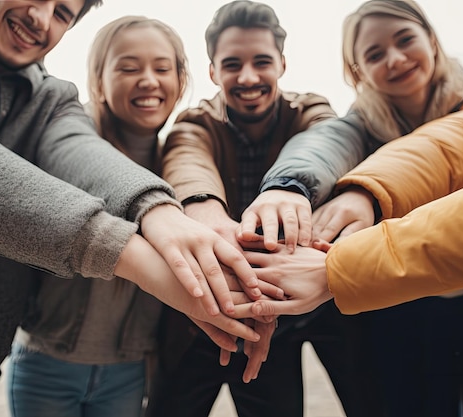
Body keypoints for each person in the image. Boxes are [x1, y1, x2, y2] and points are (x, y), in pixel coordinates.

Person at [0, 2, 267, 415]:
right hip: (46, 357)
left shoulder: (48, 98)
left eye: (62, 12)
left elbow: (77, 149)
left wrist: (159, 210)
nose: (40, 16)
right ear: (100, 79)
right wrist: (136, 250)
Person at [240, 0, 463, 414]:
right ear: (357, 72)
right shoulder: (364, 124)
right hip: (403, 302)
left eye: (405, 40)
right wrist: (296, 187)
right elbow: (331, 144)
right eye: (374, 54)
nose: (396, 59)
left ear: (432, 40)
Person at [145, 2, 384, 417]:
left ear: (282, 64)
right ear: (213, 72)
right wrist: (205, 213)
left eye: (262, 62)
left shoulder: (311, 111)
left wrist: (290, 187)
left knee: (373, 402)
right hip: (235, 301)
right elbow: (187, 158)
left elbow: (327, 143)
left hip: (326, 297)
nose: (249, 77)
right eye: (232, 64)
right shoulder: (196, 123)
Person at [5, 16, 189, 417]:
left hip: (128, 368)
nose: (148, 80)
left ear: (181, 79)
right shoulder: (64, 142)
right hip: (47, 358)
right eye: (128, 67)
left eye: (162, 68)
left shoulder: (178, 162)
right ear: (98, 78)